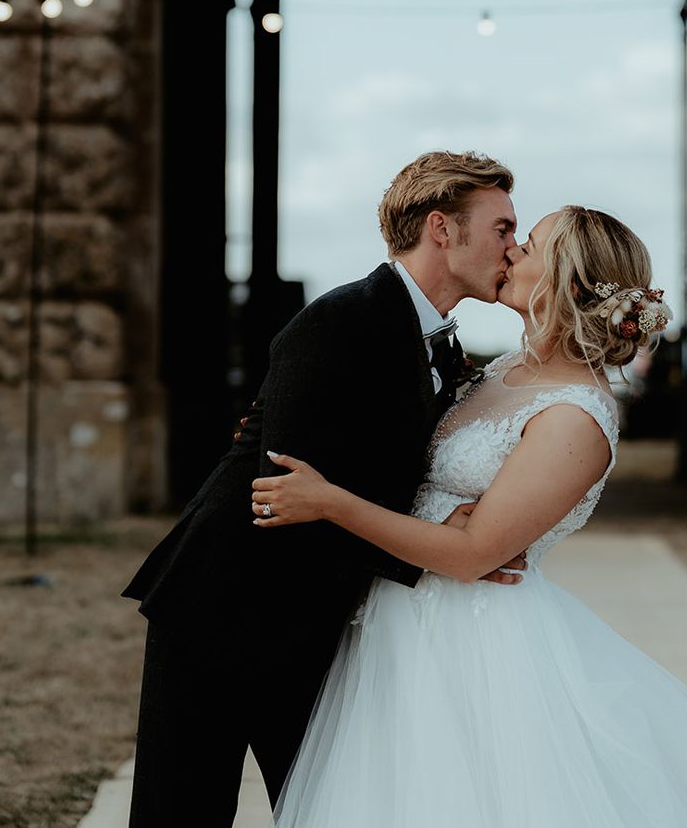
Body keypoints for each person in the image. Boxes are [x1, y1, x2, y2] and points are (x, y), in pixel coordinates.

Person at [255, 205, 687, 828]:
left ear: (565, 282)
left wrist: (330, 502)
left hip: (471, 639)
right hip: (396, 614)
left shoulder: (574, 416)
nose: (508, 253)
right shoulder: (501, 371)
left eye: (526, 245)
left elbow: (476, 554)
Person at [120, 150, 531, 826]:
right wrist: (440, 550)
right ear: (442, 228)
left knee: (333, 809)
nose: (512, 250)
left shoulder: (438, 345)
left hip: (307, 620)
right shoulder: (344, 319)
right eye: (502, 229)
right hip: (222, 607)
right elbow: (284, 492)